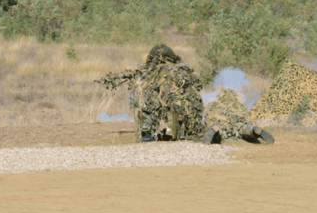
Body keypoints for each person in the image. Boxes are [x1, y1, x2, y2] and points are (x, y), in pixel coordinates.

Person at [96, 45, 274, 144]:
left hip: (174, 109)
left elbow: (149, 105)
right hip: (192, 114)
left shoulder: (154, 73)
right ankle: (246, 129)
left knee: (145, 108)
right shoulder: (184, 71)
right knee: (205, 129)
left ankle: (147, 136)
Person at [95, 44, 205, 142]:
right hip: (182, 108)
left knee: (144, 106)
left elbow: (125, 74)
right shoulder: (181, 71)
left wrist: (109, 79)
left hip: (169, 105)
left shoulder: (155, 71)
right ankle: (180, 134)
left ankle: (147, 134)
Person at [201, 88, 274, 144]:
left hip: (223, 123)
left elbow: (209, 116)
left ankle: (215, 129)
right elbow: (244, 117)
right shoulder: (238, 106)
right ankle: (254, 130)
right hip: (238, 124)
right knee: (244, 128)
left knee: (222, 132)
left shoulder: (215, 104)